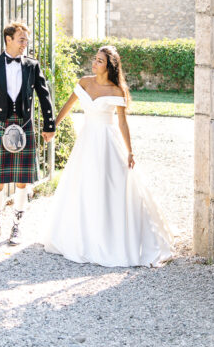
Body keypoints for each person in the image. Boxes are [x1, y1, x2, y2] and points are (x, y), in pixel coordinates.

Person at [43, 45, 175, 267]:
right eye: (94, 59)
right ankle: (81, 235)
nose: (94, 64)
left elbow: (122, 122)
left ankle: (110, 237)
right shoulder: (85, 82)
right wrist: (53, 126)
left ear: (109, 66)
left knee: (110, 186)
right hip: (87, 140)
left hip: (107, 141)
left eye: (100, 61)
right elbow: (68, 105)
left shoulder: (117, 91)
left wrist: (130, 150)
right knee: (82, 185)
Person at [0, 21, 55, 245]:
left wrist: (49, 125)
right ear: (8, 39)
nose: (25, 44)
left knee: (22, 180)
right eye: (21, 40)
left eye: (26, 40)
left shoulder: (31, 65)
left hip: (23, 125)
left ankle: (17, 226)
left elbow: (44, 97)